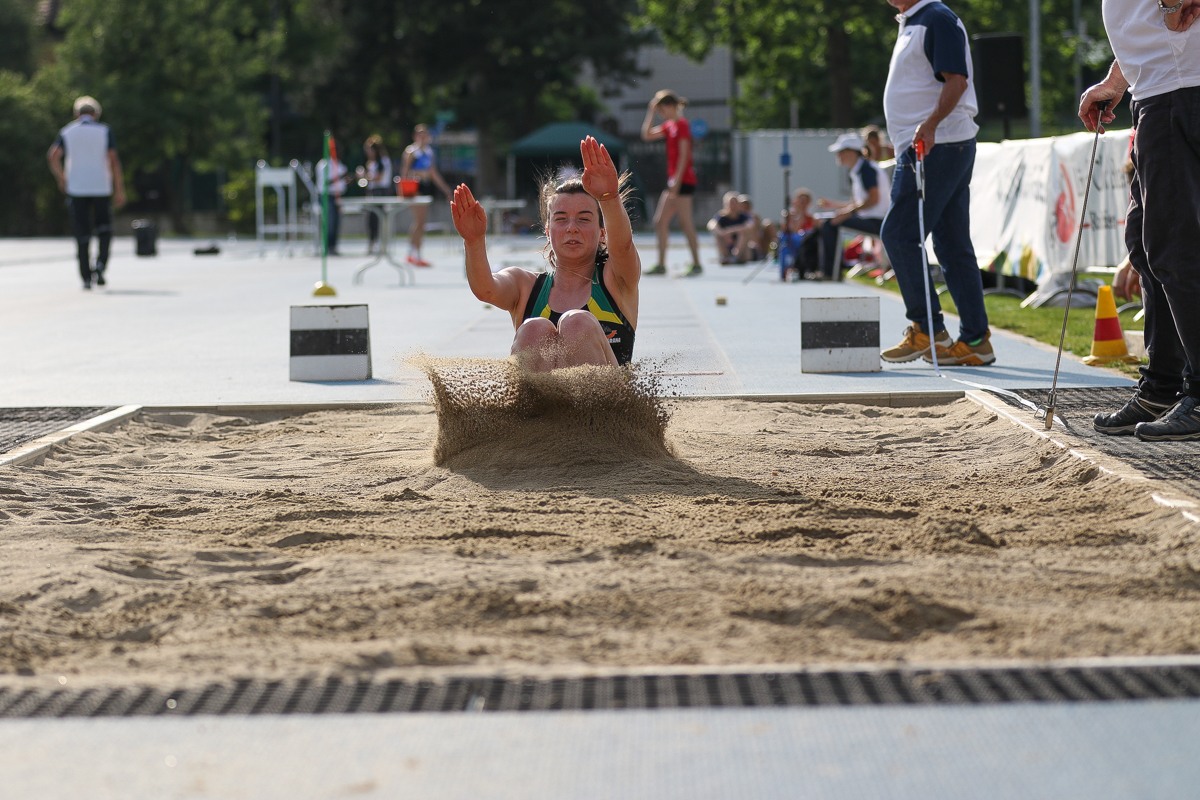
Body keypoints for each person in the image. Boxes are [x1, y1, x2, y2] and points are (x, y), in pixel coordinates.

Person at [1082, 0, 1200, 440]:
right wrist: (1118, 79)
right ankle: (1163, 385)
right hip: (1159, 89)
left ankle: (1196, 390)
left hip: (1179, 91)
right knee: (1146, 246)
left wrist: (1172, 3)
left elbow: (1170, 20)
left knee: (1175, 248)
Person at [451, 136, 640, 371]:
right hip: (541, 393)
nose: (572, 228)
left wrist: (609, 198)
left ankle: (586, 397)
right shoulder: (525, 286)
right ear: (548, 232)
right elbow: (485, 289)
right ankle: (530, 396)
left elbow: (622, 247)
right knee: (533, 328)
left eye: (584, 219)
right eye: (561, 219)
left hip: (604, 393)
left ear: (603, 233)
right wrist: (474, 242)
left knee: (576, 322)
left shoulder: (617, 279)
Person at [878, 0, 994, 366]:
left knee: (899, 234)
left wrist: (929, 124)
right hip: (941, 144)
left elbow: (957, 81)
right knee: (952, 244)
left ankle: (928, 329)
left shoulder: (935, 19)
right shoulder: (917, 20)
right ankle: (975, 339)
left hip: (934, 146)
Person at [47, 96, 126, 290]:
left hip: (77, 188)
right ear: (96, 113)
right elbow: (113, 160)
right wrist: (119, 189)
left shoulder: (67, 131)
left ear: (76, 114)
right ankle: (100, 266)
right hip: (101, 187)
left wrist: (62, 178)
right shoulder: (104, 131)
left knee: (81, 232)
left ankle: (85, 276)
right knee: (104, 229)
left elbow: (53, 156)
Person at [641, 90, 702, 277]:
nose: (661, 113)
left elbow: (684, 154)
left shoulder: (682, 125)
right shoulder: (669, 125)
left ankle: (697, 264)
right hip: (674, 181)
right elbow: (647, 135)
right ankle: (661, 264)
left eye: (661, 109)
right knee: (660, 221)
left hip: (683, 180)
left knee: (685, 222)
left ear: (671, 106)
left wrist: (677, 178)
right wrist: (650, 111)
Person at [815, 133, 891, 280]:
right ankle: (831, 269)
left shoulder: (866, 170)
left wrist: (847, 213)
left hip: (878, 222)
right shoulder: (859, 170)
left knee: (829, 225)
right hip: (870, 218)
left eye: (840, 151)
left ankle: (831, 272)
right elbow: (860, 203)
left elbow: (873, 199)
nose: (837, 155)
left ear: (851, 152)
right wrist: (835, 206)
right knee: (826, 221)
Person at [400, 124, 452, 267]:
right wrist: (403, 191)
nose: (423, 138)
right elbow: (405, 172)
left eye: (425, 135)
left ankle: (412, 253)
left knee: (420, 222)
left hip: (425, 187)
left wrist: (446, 189)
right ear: (415, 136)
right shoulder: (411, 152)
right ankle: (415, 253)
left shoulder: (429, 152)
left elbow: (433, 173)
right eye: (420, 135)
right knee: (420, 221)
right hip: (414, 188)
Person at [356, 135, 391, 254]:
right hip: (373, 192)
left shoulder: (382, 161)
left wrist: (365, 176)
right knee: (371, 219)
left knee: (378, 218)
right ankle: (373, 242)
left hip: (380, 192)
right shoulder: (373, 162)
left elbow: (379, 178)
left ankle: (380, 243)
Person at [777, 188, 817, 281]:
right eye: (800, 201)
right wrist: (800, 213)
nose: (802, 204)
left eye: (805, 201)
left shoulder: (813, 218)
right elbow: (794, 230)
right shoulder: (789, 216)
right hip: (792, 243)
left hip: (806, 245)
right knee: (789, 238)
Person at [315, 147, 347, 256]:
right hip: (327, 196)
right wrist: (340, 177)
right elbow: (325, 182)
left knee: (336, 222)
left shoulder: (338, 164)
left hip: (337, 196)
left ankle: (333, 246)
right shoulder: (324, 165)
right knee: (330, 222)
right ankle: (328, 246)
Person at [707, 191, 755, 264]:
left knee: (744, 233)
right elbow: (711, 224)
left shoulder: (744, 216)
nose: (733, 206)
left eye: (735, 203)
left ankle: (735, 256)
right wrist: (722, 233)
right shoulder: (722, 217)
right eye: (731, 203)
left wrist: (731, 231)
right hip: (727, 246)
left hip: (743, 251)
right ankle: (724, 256)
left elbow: (750, 225)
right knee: (717, 234)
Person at [739, 195, 777, 260]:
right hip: (746, 246)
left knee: (768, 223)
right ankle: (758, 251)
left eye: (747, 205)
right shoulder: (738, 218)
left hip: (758, 242)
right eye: (742, 205)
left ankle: (778, 248)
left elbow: (760, 230)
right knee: (751, 225)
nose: (745, 207)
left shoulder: (754, 216)